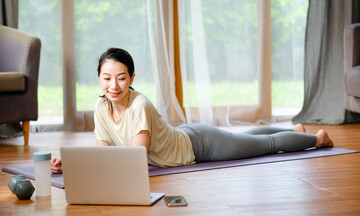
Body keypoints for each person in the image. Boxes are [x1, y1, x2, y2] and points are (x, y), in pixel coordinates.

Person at [51, 48, 333, 174]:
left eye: (121, 77)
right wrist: (73, 164)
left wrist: (78, 163)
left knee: (266, 145)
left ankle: (318, 139)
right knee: (248, 138)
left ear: (132, 78)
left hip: (200, 146)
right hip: (188, 136)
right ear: (99, 77)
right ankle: (294, 130)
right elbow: (103, 153)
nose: (113, 85)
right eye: (107, 77)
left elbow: (134, 160)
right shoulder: (101, 106)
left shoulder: (140, 106)